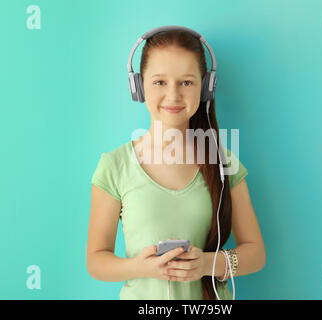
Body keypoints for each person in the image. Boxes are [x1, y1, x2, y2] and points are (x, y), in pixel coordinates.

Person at [87, 29, 266, 300]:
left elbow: (256, 254)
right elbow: (96, 261)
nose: (173, 95)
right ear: (139, 85)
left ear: (205, 87)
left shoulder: (224, 162)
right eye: (159, 82)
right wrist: (139, 267)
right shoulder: (114, 166)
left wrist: (206, 264)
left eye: (186, 82)